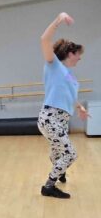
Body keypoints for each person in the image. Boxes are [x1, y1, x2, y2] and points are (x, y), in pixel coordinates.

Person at [38, 12, 88, 199]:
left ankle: (60, 171)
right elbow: (44, 39)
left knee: (58, 153)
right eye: (78, 55)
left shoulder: (68, 75)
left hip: (60, 121)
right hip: (50, 118)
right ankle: (48, 187)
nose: (80, 58)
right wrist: (59, 19)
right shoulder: (54, 65)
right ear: (70, 53)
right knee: (70, 154)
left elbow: (70, 96)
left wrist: (80, 108)